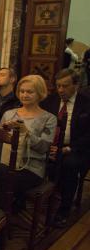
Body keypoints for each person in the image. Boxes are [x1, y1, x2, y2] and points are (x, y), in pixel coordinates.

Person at [41, 69, 90, 227]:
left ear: (76, 85)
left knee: (69, 165)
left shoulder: (86, 103)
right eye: (58, 86)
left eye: (65, 86)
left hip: (76, 148)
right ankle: (30, 198)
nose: (61, 90)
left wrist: (67, 149)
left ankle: (64, 209)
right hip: (50, 145)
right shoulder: (49, 101)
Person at [0, 75, 56, 206]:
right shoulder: (9, 114)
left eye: (30, 92)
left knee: (4, 179)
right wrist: (3, 132)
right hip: (6, 162)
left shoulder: (49, 118)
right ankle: (0, 214)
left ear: (40, 93)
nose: (24, 95)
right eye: (22, 91)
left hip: (32, 168)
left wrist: (26, 132)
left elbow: (44, 148)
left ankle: (4, 214)